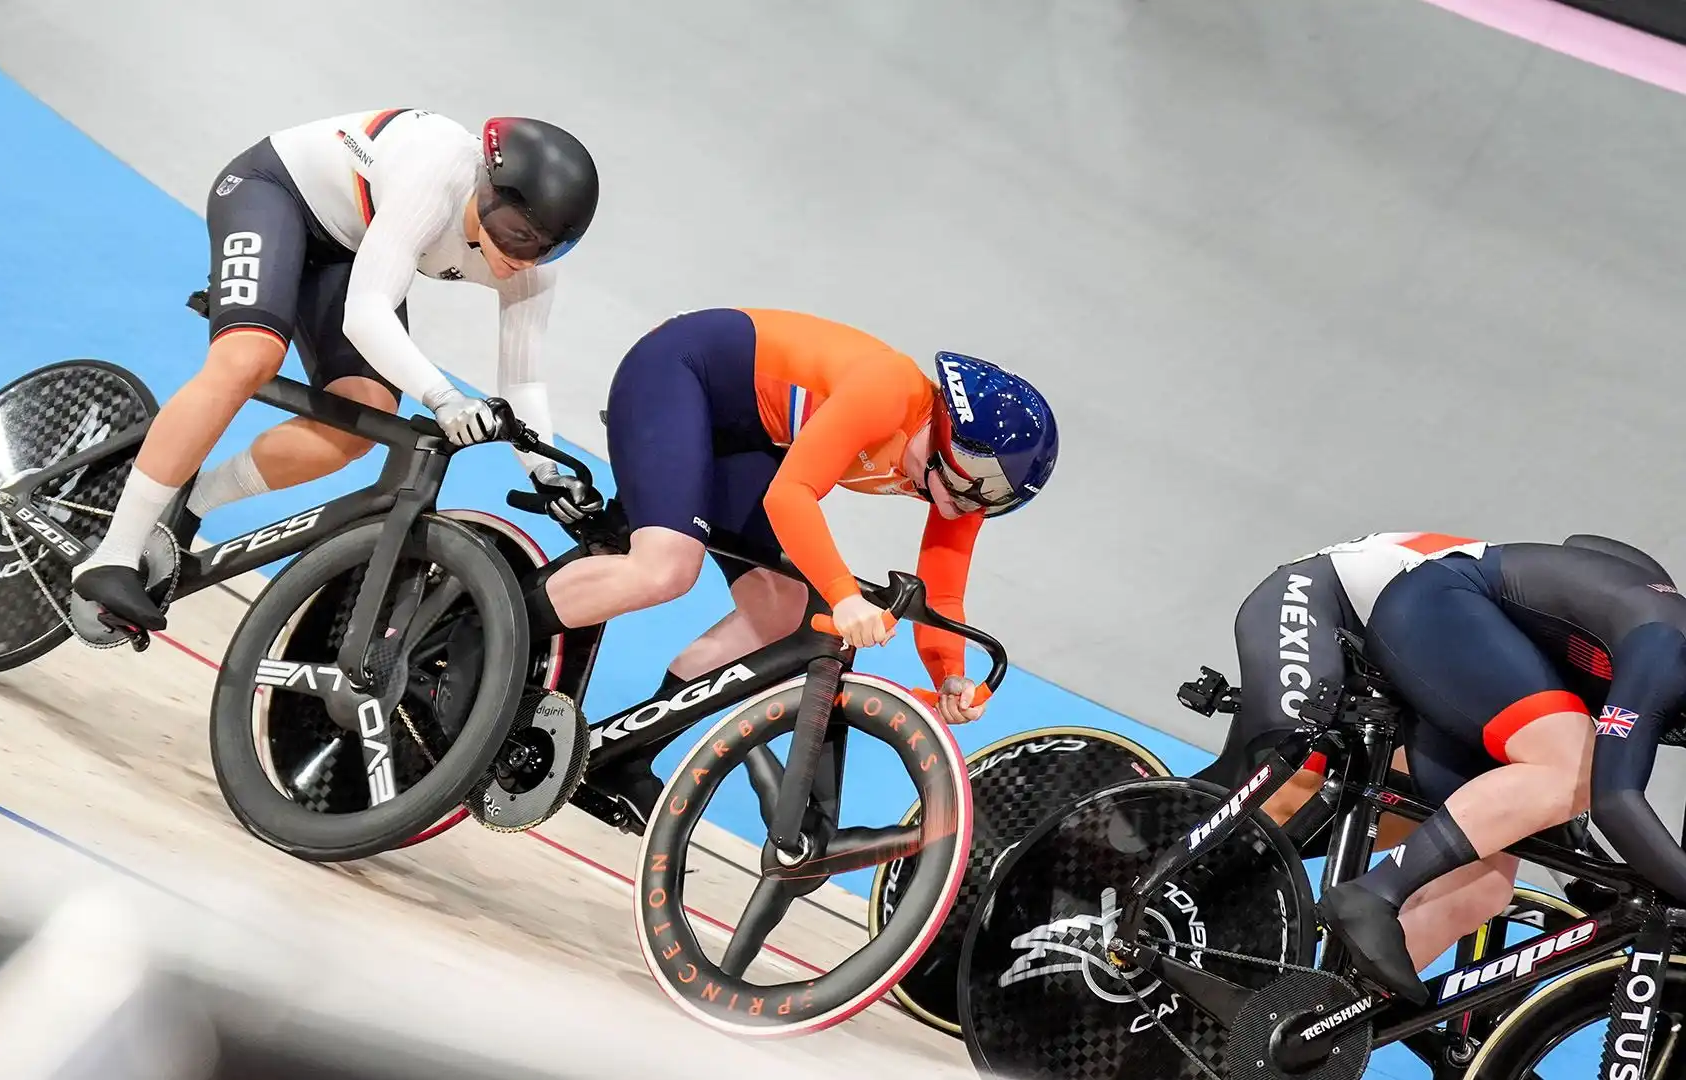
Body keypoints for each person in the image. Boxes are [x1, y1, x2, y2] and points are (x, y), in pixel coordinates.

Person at [72, 108, 602, 632]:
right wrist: (444, 398)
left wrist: (546, 475)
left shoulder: (531, 271)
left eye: (549, 248)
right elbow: (367, 313)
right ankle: (112, 555)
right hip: (275, 194)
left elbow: (523, 381)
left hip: (352, 245)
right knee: (250, 355)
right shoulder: (436, 173)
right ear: (486, 190)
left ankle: (193, 501)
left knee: (359, 419)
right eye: (516, 234)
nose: (525, 260)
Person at [534, 307, 1059, 828]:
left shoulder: (960, 489)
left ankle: (622, 753)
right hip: (679, 370)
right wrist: (844, 594)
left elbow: (942, 595)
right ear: (952, 433)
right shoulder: (891, 389)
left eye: (996, 498)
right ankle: (489, 631)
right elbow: (790, 496)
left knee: (783, 611)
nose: (970, 506)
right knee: (666, 568)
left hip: (745, 434)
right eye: (978, 482)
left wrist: (948, 676)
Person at [1198, 530, 1685, 1003]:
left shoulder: (1599, 659)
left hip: (1447, 645)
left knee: (1482, 887)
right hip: (1341, 595)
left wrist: (1598, 887)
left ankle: (1312, 1019)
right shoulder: (1664, 646)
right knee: (1294, 787)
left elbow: (1541, 806)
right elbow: (1612, 796)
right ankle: (1174, 875)